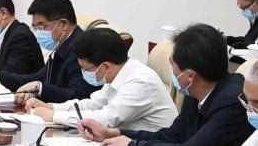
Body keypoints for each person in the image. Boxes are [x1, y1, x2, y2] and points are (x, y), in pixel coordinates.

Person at [102, 23, 251, 146]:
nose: (172, 72)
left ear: (190, 76)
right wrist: (116, 133)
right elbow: (172, 136)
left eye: (173, 66)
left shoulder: (232, 103)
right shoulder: (195, 91)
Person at [28, 28, 176, 134]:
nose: (83, 73)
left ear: (105, 66)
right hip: (129, 145)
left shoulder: (140, 82)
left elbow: (106, 119)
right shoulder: (117, 75)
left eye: (85, 69)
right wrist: (51, 107)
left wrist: (53, 116)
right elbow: (91, 104)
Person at [5, 0, 98, 104]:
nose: (38, 32)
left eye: (42, 26)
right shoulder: (62, 45)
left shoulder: (82, 50)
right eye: (35, 28)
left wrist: (41, 88)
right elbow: (36, 79)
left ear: (63, 24)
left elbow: (80, 96)